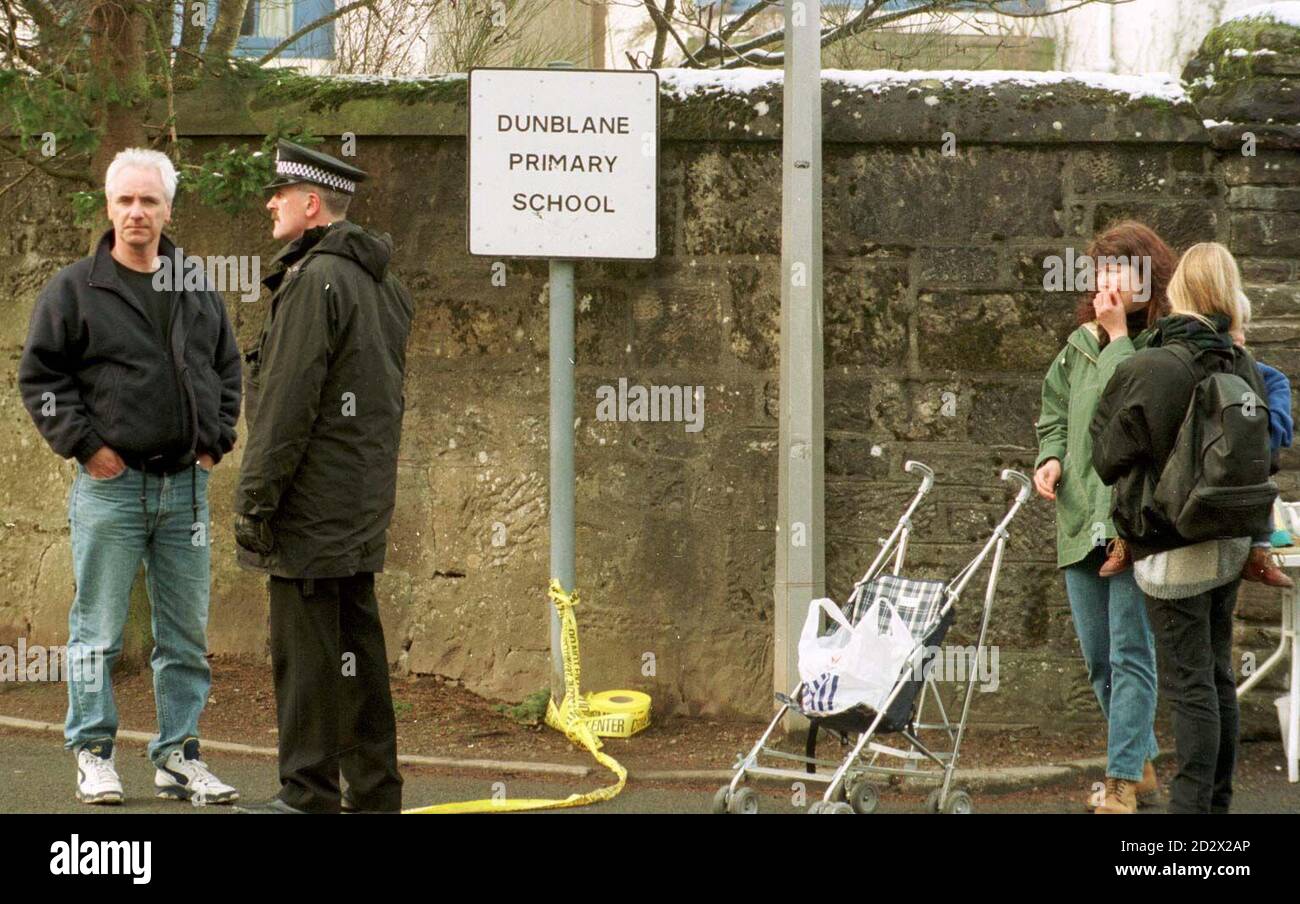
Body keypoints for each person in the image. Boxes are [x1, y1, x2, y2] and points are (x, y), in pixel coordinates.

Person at [18, 148, 242, 806]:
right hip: (111, 491)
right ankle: (93, 752)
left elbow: (228, 370)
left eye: (149, 201)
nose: (136, 213)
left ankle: (178, 757)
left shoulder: (196, 284)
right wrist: (85, 447)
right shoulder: (74, 290)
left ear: (169, 209)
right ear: (109, 208)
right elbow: (42, 379)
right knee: (97, 630)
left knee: (185, 635)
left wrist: (215, 441)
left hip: (187, 491)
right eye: (125, 201)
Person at [233, 140, 413, 814]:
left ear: (311, 205)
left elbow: (287, 403)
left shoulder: (315, 282)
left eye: (278, 194)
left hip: (310, 511)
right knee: (357, 655)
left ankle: (305, 794)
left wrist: (257, 499)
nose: (269, 204)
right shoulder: (380, 283)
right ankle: (374, 792)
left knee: (306, 661)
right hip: (356, 506)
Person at [1091, 242, 1271, 814]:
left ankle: (1190, 820)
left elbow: (1106, 458)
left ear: (1177, 292)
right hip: (1230, 539)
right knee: (1217, 677)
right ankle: (1216, 804)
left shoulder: (1152, 367)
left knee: (1191, 685)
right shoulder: (1241, 363)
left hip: (1173, 548)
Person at [1034, 221, 1173, 813]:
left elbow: (1131, 407)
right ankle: (1139, 762)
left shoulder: (1162, 347)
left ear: (1148, 279)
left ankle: (1118, 785)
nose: (1107, 281)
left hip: (1130, 521)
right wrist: (1050, 458)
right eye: (1102, 270)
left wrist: (1117, 333)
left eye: (1121, 269)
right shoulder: (1077, 347)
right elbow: (1055, 416)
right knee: (1097, 658)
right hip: (1078, 518)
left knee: (1129, 652)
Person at [1232, 293, 1293, 588]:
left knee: (1262, 484)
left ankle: (1260, 553)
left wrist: (1258, 435)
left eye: (1242, 329)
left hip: (1250, 470)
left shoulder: (1261, 375)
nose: (1239, 338)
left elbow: (1279, 428)